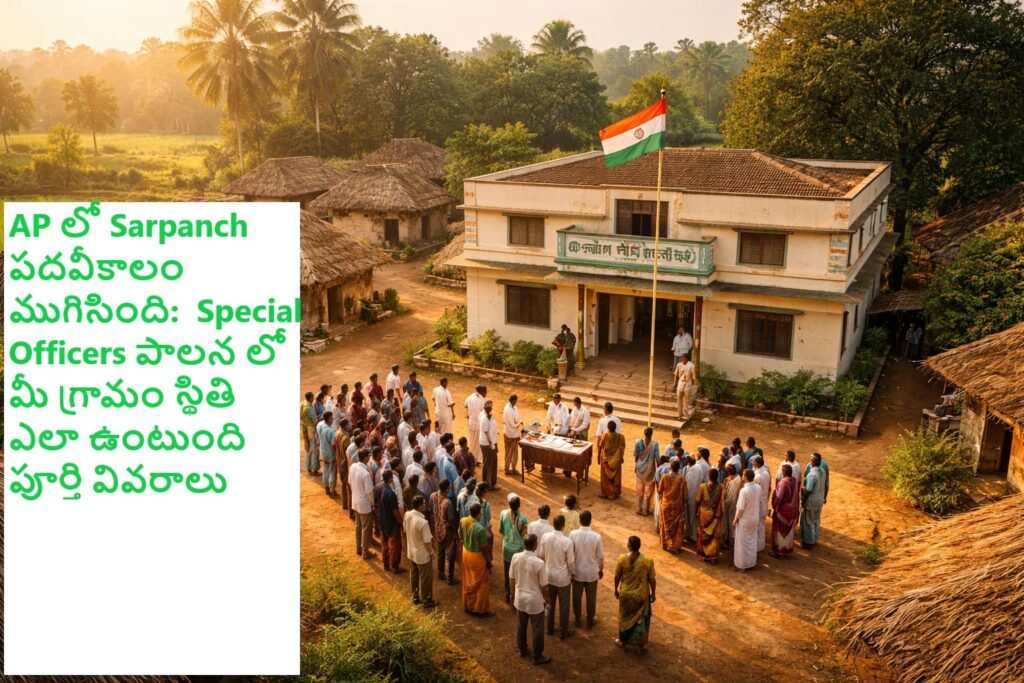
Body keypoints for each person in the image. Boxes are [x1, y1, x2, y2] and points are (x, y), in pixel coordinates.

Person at [509, 533, 551, 665]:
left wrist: (512, 595)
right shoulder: (539, 563)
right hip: (534, 601)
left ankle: (522, 649)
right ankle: (537, 656)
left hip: (520, 597)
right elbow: (544, 586)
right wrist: (547, 598)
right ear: (535, 545)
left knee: (521, 626)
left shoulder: (516, 557)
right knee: (537, 628)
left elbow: (511, 578)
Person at [614, 535, 656, 652]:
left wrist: (615, 589)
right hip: (641, 596)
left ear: (629, 546)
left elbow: (617, 576)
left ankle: (623, 641)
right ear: (639, 546)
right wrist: (653, 594)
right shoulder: (648, 561)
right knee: (642, 620)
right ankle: (641, 645)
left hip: (626, 594)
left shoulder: (622, 559)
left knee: (624, 617)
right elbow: (652, 579)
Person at [538, 515, 575, 639]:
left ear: (553, 524)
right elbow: (570, 562)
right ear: (563, 526)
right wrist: (572, 573)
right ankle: (563, 631)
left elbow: (541, 555)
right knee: (564, 606)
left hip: (548, 576)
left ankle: (549, 628)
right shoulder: (567, 542)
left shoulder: (545, 537)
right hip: (562, 578)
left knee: (550, 603)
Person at [569, 510, 603, 630]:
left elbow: (571, 555)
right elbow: (601, 557)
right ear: (590, 521)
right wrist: (601, 570)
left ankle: (578, 618)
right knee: (591, 597)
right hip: (591, 572)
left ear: (579, 520)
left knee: (577, 597)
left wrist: (571, 571)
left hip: (577, 571)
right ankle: (590, 619)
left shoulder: (572, 534)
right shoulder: (597, 536)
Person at [459, 502, 494, 617]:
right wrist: (489, 561)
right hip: (476, 557)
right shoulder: (480, 529)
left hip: (465, 552)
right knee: (481, 583)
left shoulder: (463, 521)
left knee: (468, 579)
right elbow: (484, 548)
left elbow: (461, 537)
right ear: (478, 514)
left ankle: (468, 604)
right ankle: (480, 608)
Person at [404, 495, 438, 608]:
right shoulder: (423, 523)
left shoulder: (407, 515)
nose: (425, 504)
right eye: (423, 503)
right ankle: (427, 600)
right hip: (422, 555)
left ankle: (415, 596)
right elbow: (427, 541)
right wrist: (432, 552)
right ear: (419, 506)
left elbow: (405, 530)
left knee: (414, 575)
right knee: (425, 578)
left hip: (411, 552)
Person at [499, 494, 528, 604]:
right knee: (518, 574)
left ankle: (508, 595)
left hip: (507, 549)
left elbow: (500, 530)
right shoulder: (523, 519)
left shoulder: (503, 514)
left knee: (507, 573)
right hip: (518, 551)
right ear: (519, 505)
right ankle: (517, 597)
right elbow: (523, 536)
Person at [374, 469, 405, 574]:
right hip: (391, 522)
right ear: (390, 479)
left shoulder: (378, 487)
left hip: (382, 520)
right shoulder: (391, 494)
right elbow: (395, 511)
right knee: (394, 546)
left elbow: (376, 504)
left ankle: (386, 564)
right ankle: (394, 566)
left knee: (384, 544)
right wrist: (401, 522)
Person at [431, 479, 459, 585]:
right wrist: (455, 531)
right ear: (447, 488)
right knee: (450, 555)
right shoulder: (448, 503)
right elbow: (451, 520)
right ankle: (450, 578)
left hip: (437, 528)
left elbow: (431, 510)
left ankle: (440, 573)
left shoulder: (433, 496)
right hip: (447, 531)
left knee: (441, 551)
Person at [695, 468, 726, 563]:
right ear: (717, 477)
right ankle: (713, 556)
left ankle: (705, 554)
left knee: (704, 534)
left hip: (704, 515)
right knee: (714, 536)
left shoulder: (702, 486)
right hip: (715, 515)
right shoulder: (721, 487)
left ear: (709, 476)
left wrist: (696, 511)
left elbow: (697, 500)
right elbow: (724, 500)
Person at [733, 469, 760, 572]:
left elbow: (740, 509)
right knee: (752, 542)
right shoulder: (758, 488)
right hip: (754, 518)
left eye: (743, 475)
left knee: (742, 543)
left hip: (745, 520)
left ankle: (741, 565)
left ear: (745, 477)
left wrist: (735, 520)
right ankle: (751, 563)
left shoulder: (744, 491)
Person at [350, 449, 375, 559]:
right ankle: (365, 551)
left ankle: (358, 547)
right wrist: (373, 503)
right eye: (368, 456)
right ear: (365, 458)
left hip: (355, 500)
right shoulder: (365, 474)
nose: (369, 458)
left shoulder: (353, 467)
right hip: (364, 504)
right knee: (366, 528)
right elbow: (369, 492)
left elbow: (350, 481)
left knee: (358, 525)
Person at [658, 459, 687, 553]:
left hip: (665, 505)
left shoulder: (664, 477)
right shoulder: (682, 479)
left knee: (665, 524)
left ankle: (665, 544)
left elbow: (659, 490)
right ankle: (674, 546)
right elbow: (685, 495)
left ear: (670, 467)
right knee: (676, 527)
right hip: (677, 507)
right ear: (678, 469)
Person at [771, 463, 800, 558]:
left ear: (783, 473)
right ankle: (787, 550)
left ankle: (779, 551)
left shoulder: (782, 483)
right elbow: (797, 494)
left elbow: (779, 498)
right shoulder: (795, 481)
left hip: (783, 511)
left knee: (780, 530)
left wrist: (775, 508)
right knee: (789, 530)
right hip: (793, 509)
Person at [800, 454, 826, 548]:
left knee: (808, 521)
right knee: (815, 520)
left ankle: (808, 543)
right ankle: (814, 539)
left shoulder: (812, 475)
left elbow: (808, 490)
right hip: (820, 500)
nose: (810, 461)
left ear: (813, 462)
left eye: (811, 460)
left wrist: (803, 501)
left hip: (812, 501)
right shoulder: (822, 471)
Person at [633, 427, 659, 516]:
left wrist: (636, 466)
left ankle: (638, 508)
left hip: (639, 468)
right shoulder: (655, 445)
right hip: (650, 470)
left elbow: (636, 456)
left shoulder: (637, 442)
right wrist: (658, 470)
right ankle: (645, 510)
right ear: (651, 434)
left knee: (639, 489)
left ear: (644, 434)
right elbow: (658, 459)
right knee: (649, 490)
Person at [684, 450, 709, 542]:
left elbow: (688, 486)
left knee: (691, 517)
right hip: (698, 495)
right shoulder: (698, 467)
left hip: (691, 496)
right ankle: (692, 534)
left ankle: (692, 535)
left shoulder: (691, 471)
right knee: (694, 516)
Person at [597, 420, 625, 499]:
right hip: (616, 461)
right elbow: (622, 449)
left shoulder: (604, 436)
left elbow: (600, 447)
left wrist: (598, 457)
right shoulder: (621, 437)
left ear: (608, 428)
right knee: (615, 477)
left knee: (605, 478)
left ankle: (605, 493)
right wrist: (620, 458)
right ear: (615, 428)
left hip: (605, 460)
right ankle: (614, 494)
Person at [478, 400, 500, 490]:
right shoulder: (484, 417)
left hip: (492, 442)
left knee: (492, 462)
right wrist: (491, 443)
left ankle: (491, 483)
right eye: (490, 407)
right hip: (487, 444)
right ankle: (488, 485)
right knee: (488, 464)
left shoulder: (489, 417)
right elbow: (486, 432)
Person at [753, 455, 772, 553]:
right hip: (764, 502)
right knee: (761, 526)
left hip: (759, 504)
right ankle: (761, 545)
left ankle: (759, 547)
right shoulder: (765, 473)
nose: (752, 462)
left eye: (753, 461)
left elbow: (755, 492)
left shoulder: (758, 477)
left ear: (758, 464)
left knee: (759, 526)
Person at [464, 385, 487, 461]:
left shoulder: (470, 397)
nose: (486, 394)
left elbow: (465, 405)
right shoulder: (482, 400)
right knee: (477, 442)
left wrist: (468, 413)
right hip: (478, 423)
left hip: (471, 422)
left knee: (472, 441)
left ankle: (473, 458)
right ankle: (474, 459)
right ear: (482, 392)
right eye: (485, 392)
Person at [317, 411, 337, 496]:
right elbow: (333, 444)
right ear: (327, 419)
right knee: (332, 471)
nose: (332, 419)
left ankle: (327, 488)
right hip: (330, 453)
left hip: (323, 451)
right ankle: (332, 490)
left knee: (326, 470)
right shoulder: (330, 431)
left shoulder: (320, 425)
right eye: (331, 418)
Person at [674, 352, 698, 422]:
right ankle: (679, 414)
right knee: (679, 400)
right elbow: (676, 374)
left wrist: (694, 384)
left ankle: (686, 414)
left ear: (687, 358)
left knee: (686, 400)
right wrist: (674, 383)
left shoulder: (691, 365)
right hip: (680, 384)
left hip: (687, 384)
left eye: (683, 358)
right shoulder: (679, 364)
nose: (682, 359)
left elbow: (694, 377)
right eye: (681, 358)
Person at [333, 420, 351, 510]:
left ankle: (344, 504)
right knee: (348, 486)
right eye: (348, 424)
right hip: (344, 463)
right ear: (345, 425)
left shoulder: (337, 433)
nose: (349, 425)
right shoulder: (345, 437)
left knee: (343, 484)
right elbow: (347, 453)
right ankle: (347, 505)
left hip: (339, 461)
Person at [723, 464, 741, 549]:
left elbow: (729, 498)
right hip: (735, 504)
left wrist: (724, 504)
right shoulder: (738, 477)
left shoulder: (733, 481)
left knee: (730, 523)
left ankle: (730, 543)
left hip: (731, 505)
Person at [301, 391, 319, 475]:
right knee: (314, 449)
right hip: (311, 430)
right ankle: (314, 469)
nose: (313, 398)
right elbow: (315, 420)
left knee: (308, 449)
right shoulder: (309, 408)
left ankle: (308, 468)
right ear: (310, 398)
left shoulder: (303, 403)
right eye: (312, 397)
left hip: (305, 428)